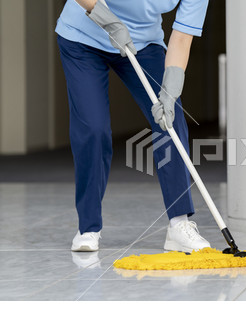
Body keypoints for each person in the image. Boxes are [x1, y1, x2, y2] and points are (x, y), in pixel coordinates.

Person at [55, 0, 210, 252]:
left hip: (142, 44)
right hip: (83, 36)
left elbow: (182, 38)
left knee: (169, 121)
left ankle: (179, 224)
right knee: (93, 129)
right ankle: (88, 227)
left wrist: (171, 89)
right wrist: (107, 19)